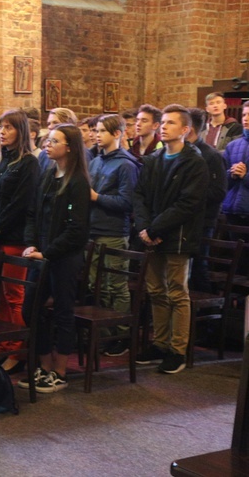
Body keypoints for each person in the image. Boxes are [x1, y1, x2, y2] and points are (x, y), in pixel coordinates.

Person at [134, 104, 209, 374]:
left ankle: (177, 351)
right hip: (151, 234)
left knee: (177, 293)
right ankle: (160, 343)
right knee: (155, 291)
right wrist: (144, 226)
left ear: (185, 129)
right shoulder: (153, 159)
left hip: (177, 236)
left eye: (170, 123)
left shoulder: (194, 162)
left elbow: (187, 204)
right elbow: (139, 195)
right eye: (162, 123)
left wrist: (154, 229)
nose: (163, 127)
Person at [20, 123, 90, 393]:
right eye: (47, 140)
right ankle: (44, 365)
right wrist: (31, 243)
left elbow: (77, 229)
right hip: (42, 255)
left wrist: (46, 252)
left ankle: (59, 372)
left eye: (54, 141)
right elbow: (33, 215)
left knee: (62, 312)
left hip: (63, 258)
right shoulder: (48, 175)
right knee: (31, 310)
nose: (47, 144)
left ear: (69, 147)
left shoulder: (78, 182)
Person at [0, 109, 40, 374]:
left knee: (14, 297)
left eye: (9, 127)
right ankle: (3, 346)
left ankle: (17, 351)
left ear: (21, 131)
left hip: (12, 238)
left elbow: (20, 204)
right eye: (1, 126)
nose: (3, 131)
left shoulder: (28, 163)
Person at [88, 114, 140, 357]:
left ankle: (121, 335)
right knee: (96, 285)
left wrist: (97, 198)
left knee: (115, 285)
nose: (96, 135)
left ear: (117, 133)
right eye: (96, 130)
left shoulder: (126, 165)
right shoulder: (96, 161)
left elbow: (127, 203)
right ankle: (105, 334)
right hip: (93, 230)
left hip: (113, 232)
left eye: (101, 131)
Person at [187, 107, 227, 292]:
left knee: (198, 268)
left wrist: (188, 197)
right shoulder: (180, 152)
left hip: (203, 220)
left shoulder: (210, 155)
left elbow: (218, 192)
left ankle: (207, 318)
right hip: (183, 220)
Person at [220, 101, 249, 264]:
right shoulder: (232, 146)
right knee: (237, 260)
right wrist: (232, 174)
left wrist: (245, 176)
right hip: (233, 210)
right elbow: (223, 181)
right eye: (244, 114)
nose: (246, 118)